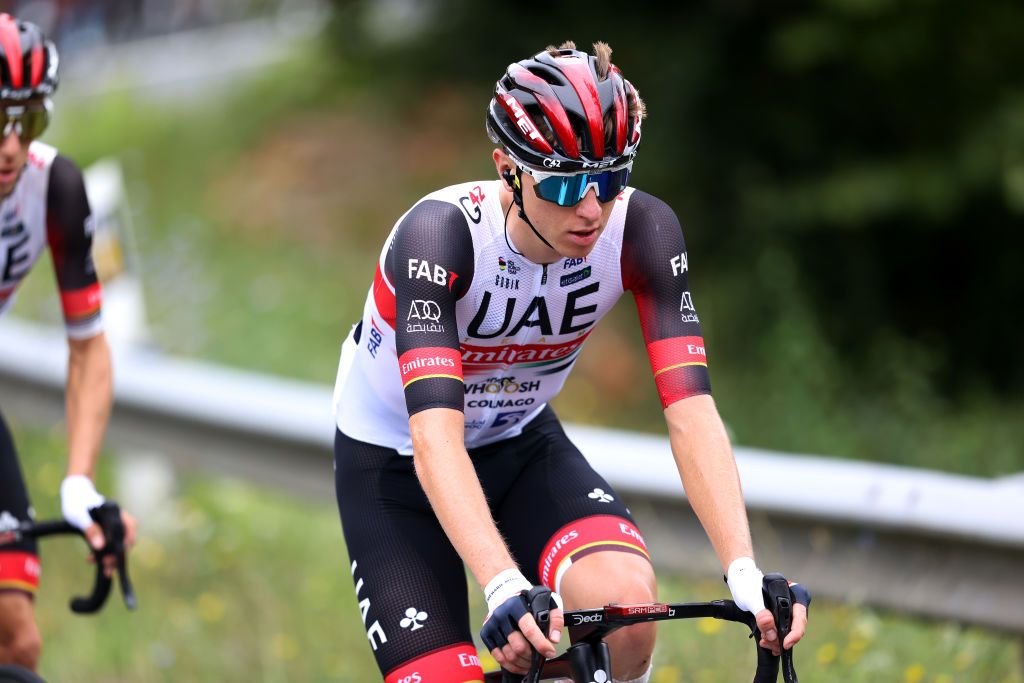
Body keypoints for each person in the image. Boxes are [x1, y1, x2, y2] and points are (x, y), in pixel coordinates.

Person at [332, 40, 808, 683]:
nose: (590, 208)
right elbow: (433, 437)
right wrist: (502, 585)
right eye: (563, 182)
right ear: (507, 168)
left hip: (519, 441)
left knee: (626, 616)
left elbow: (692, 409)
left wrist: (745, 572)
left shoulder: (643, 231)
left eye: (610, 179)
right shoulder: (439, 238)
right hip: (395, 464)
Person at [0, 13, 136, 672]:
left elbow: (88, 344)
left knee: (16, 638)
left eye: (24, 122)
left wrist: (78, 480)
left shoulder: (53, 186)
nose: (8, 147)